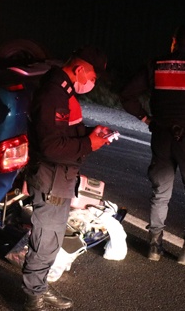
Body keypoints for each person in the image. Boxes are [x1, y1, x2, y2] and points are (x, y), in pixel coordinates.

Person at [120, 25, 185, 270]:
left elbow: (127, 94)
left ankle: (154, 246)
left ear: (173, 41)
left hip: (161, 137)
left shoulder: (155, 64)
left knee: (160, 192)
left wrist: (146, 118)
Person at [22, 45, 113, 310]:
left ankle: (39, 287)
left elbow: (63, 129)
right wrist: (89, 144)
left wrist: (90, 132)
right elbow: (51, 145)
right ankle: (32, 297)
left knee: (52, 238)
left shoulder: (64, 91)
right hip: (51, 177)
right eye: (93, 78)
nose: (93, 83)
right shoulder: (54, 93)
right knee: (45, 238)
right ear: (80, 69)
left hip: (61, 177)